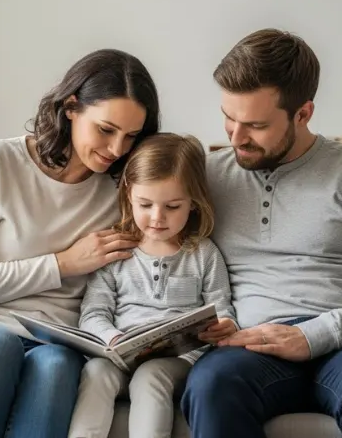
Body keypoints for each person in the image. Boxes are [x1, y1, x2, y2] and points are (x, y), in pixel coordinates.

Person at [181, 29, 342, 438]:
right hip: (251, 346)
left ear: (303, 113)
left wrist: (314, 334)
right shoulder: (206, 178)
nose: (235, 137)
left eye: (255, 125)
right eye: (228, 117)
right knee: (211, 385)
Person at [0, 48, 161, 438]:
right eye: (106, 129)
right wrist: (63, 263)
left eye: (131, 136)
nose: (117, 149)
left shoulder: (125, 190)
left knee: (57, 368)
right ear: (71, 108)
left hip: (54, 344)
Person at [66, 133, 238, 438]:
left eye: (173, 206)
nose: (157, 217)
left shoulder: (203, 253)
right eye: (145, 204)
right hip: (120, 352)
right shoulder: (116, 252)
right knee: (95, 372)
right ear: (129, 195)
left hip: (180, 361)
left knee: (150, 374)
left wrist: (224, 325)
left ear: (193, 203)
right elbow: (93, 313)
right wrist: (113, 338)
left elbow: (221, 307)